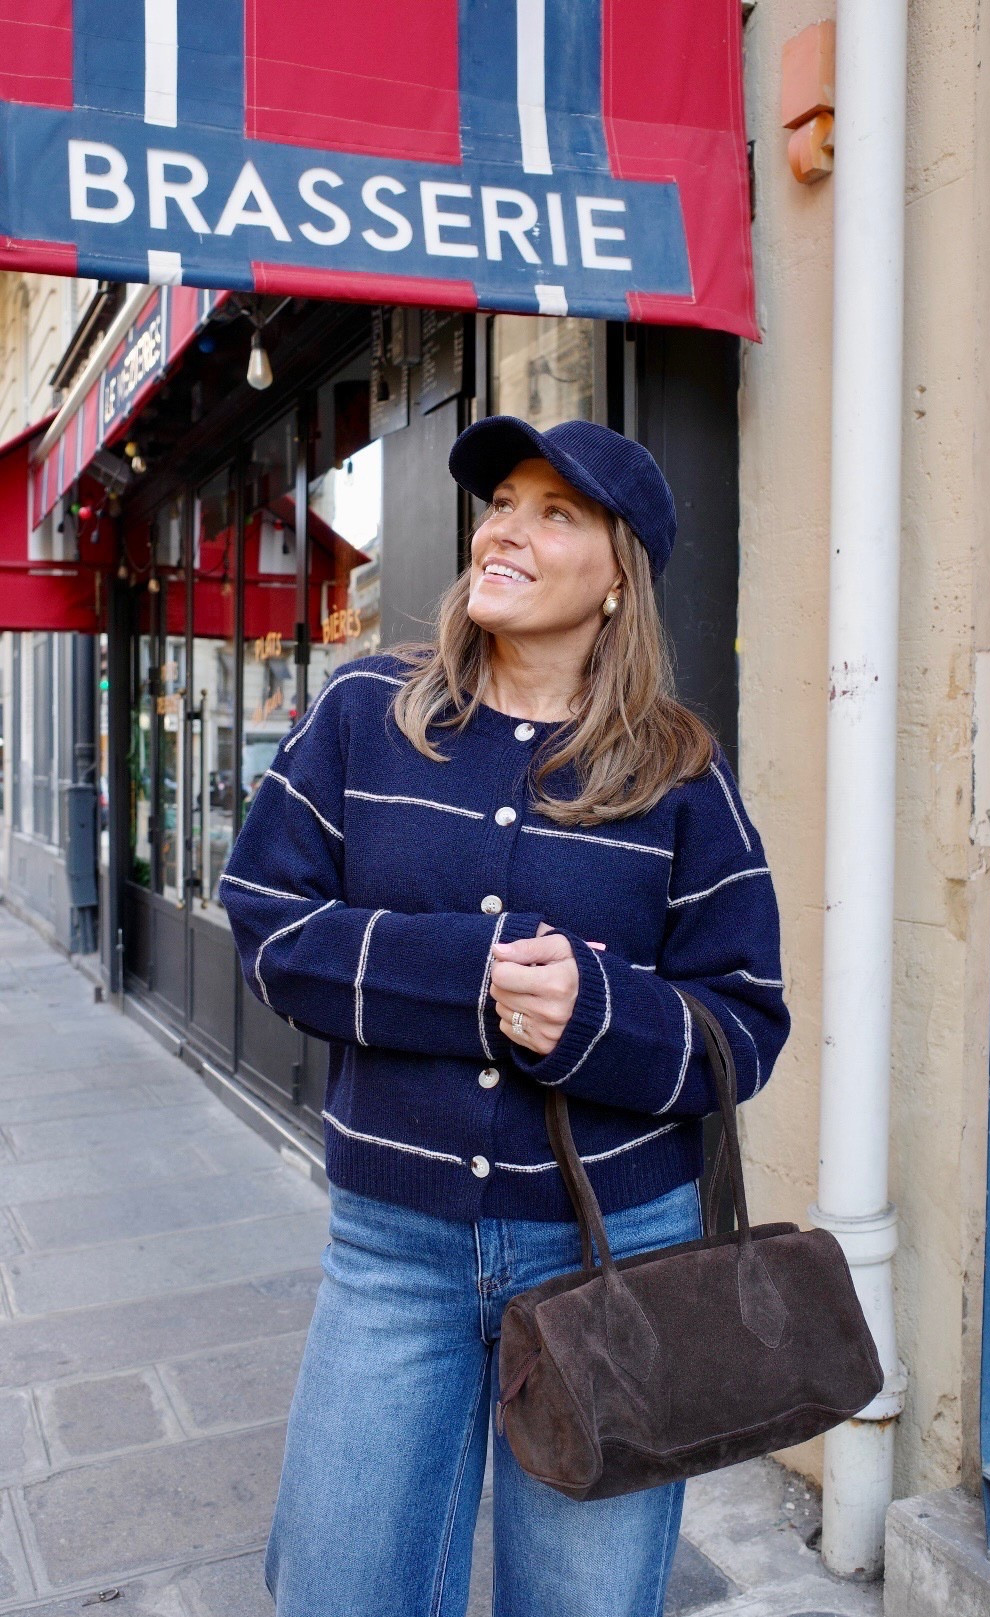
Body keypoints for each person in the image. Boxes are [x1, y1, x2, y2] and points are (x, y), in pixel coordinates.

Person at [219, 415, 791, 1617]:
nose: (505, 529)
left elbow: (744, 1026)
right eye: (501, 503)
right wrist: (467, 977)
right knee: (338, 1589)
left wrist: (598, 1019)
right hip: (394, 1253)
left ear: (617, 575)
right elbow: (268, 923)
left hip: (613, 1258)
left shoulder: (680, 774)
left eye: (554, 512)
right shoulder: (364, 712)